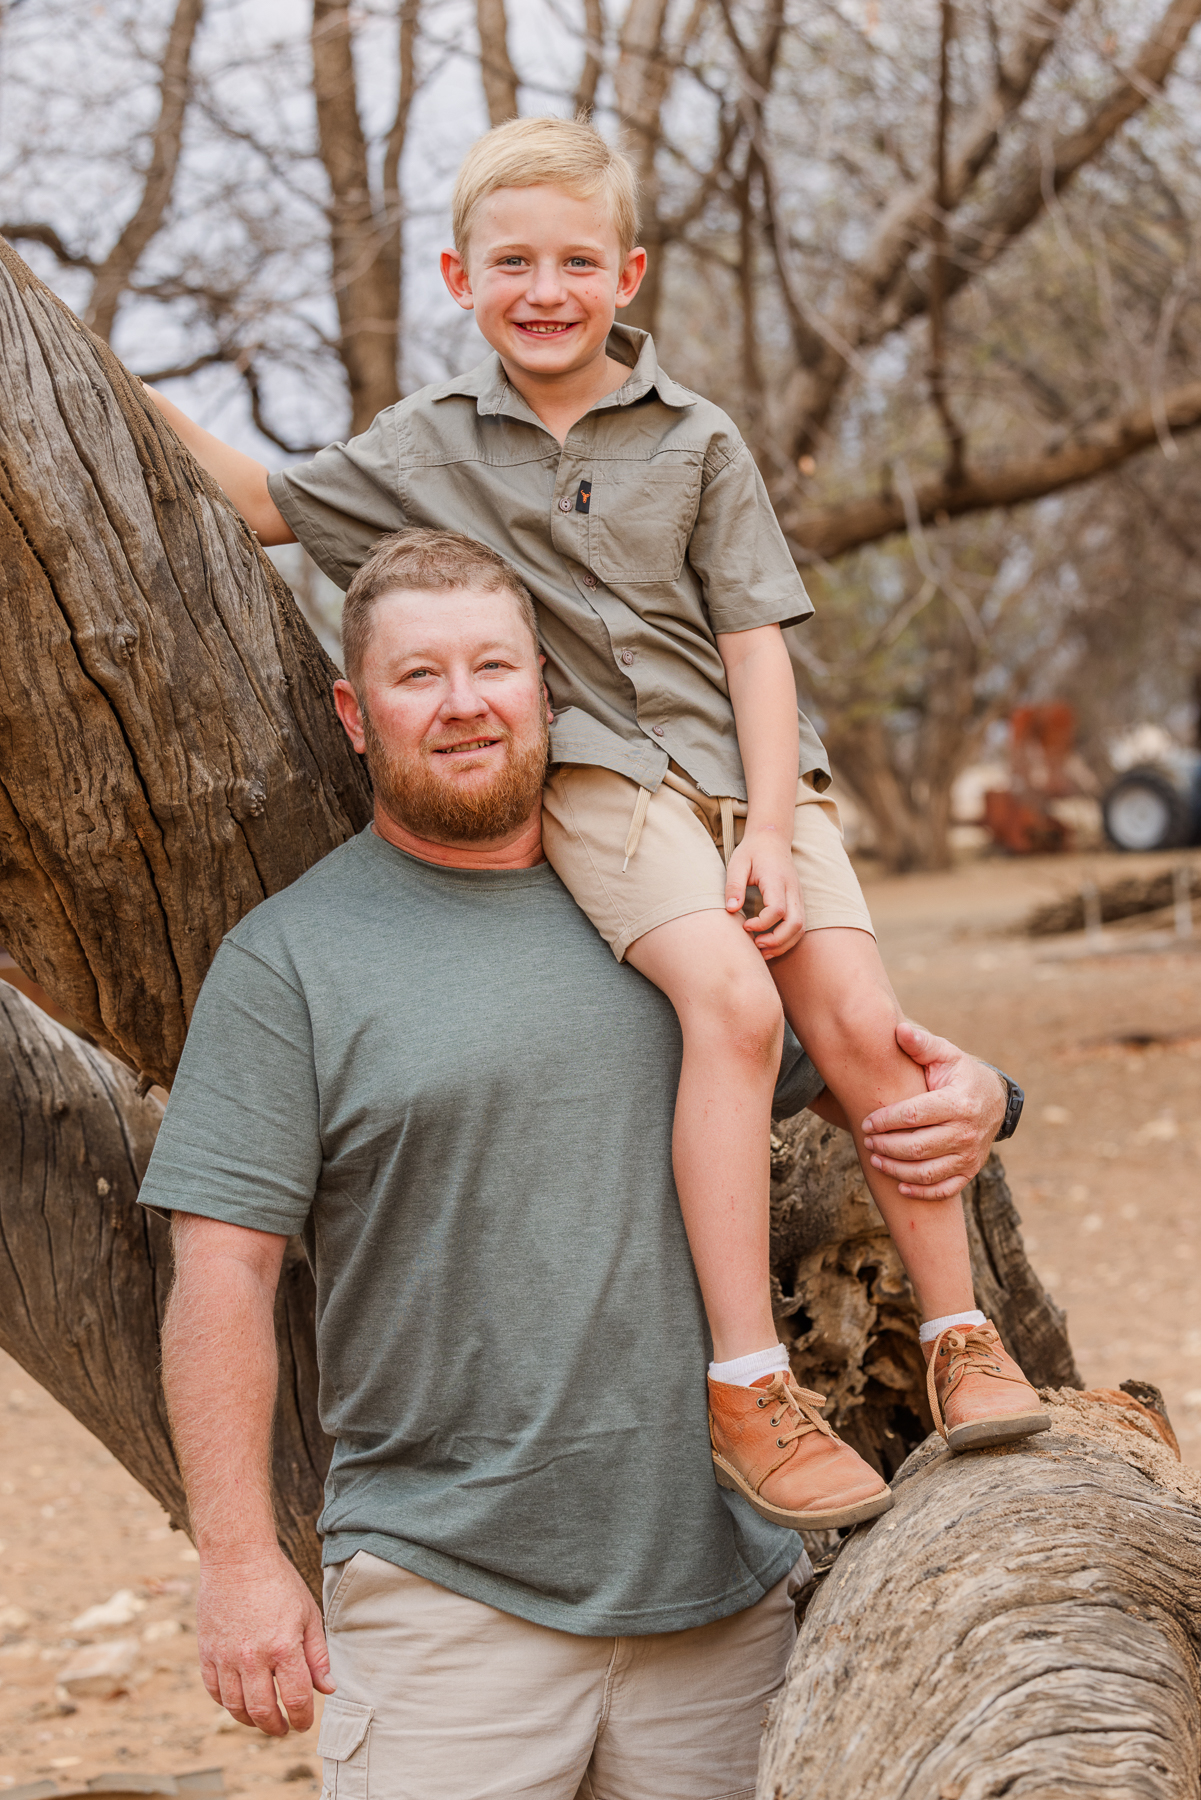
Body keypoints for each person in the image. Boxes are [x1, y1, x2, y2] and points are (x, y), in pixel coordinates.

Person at [145, 116, 1044, 1531]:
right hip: (603, 785)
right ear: (458, 275)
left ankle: (959, 1342)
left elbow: (755, 642)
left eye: (576, 260)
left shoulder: (696, 437)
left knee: (865, 1029)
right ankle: (747, 1386)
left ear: (627, 273)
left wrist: (763, 825)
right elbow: (257, 498)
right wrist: (100, 372)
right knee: (734, 1008)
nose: (545, 288)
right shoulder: (424, 447)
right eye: (512, 261)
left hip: (749, 775)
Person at [143, 546, 1018, 1796]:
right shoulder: (291, 960)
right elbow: (222, 1272)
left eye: (495, 666)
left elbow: (879, 1079)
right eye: (418, 675)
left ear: (546, 689)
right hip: (447, 1597)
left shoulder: (675, 928)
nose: (464, 702)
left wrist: (981, 1097)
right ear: (354, 712)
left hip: (724, 1591)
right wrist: (235, 1559)